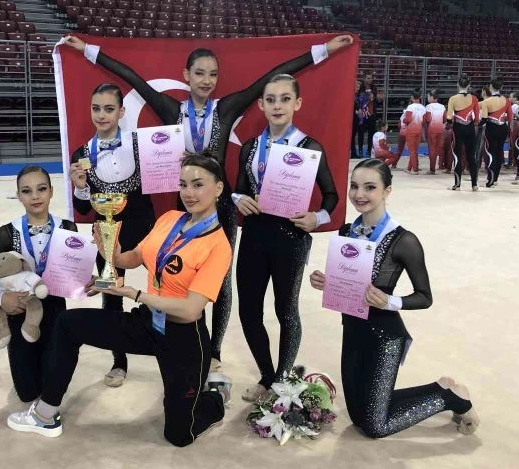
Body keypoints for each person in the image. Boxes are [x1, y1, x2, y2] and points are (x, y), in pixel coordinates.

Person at [62, 33, 354, 371]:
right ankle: (179, 336)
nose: (206, 80)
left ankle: (213, 350)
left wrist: (323, 50)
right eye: (199, 73)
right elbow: (132, 77)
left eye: (213, 74)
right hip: (184, 205)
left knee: (220, 281)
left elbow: (269, 77)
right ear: (186, 75)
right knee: (178, 273)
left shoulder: (226, 108)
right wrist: (88, 51)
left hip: (221, 207)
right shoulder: (171, 109)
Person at [6, 153, 233, 447]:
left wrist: (135, 294)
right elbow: (134, 257)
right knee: (68, 323)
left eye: (198, 184)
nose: (189, 193)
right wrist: (110, 252)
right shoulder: (169, 219)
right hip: (147, 322)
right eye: (183, 184)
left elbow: (191, 310)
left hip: (183, 337)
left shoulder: (218, 246)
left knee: (179, 435)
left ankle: (216, 395)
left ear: (218, 188)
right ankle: (45, 414)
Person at [309, 159, 480, 438]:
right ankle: (440, 387)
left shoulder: (404, 240)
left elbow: (425, 297)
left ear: (387, 191)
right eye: (354, 186)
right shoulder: (347, 231)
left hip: (384, 336)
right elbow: (349, 283)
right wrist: (328, 283)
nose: (359, 194)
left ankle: (452, 398)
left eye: (370, 187)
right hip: (352, 330)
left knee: (375, 427)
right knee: (358, 417)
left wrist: (389, 301)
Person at [233, 74, 338, 402]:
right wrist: (239, 199)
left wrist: (317, 217)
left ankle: (282, 380)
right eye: (271, 100)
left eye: (285, 99)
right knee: (248, 311)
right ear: (261, 105)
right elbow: (237, 188)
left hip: (290, 237)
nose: (277, 105)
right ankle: (267, 375)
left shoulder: (309, 148)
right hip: (254, 235)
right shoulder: (250, 148)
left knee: (286, 310)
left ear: (297, 103)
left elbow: (332, 196)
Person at [69, 83, 155, 387]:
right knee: (111, 294)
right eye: (96, 108)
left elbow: (164, 179)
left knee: (163, 287)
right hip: (106, 234)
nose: (101, 115)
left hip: (145, 229)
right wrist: (81, 186)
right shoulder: (82, 154)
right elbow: (83, 208)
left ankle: (170, 345)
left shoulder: (141, 145)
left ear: (121, 111)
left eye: (108, 109)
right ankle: (119, 361)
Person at [0, 166, 78, 404]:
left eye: (41, 189)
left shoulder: (67, 228)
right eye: (27, 191)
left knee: (52, 386)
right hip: (20, 310)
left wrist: (83, 280)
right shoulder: (6, 233)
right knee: (27, 393)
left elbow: (75, 270)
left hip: (56, 309)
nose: (35, 196)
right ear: (18, 196)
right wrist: (2, 299)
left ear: (51, 191)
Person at [446, 74, 479, 191]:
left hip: (458, 128)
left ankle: (457, 184)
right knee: (471, 156)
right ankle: (474, 185)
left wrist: (450, 124)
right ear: (469, 85)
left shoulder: (453, 99)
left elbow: (449, 117)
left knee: (458, 155)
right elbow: (477, 118)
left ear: (457, 85)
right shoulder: (474, 99)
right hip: (470, 128)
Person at [479, 78, 511, 188]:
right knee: (499, 152)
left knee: (491, 153)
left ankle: (490, 179)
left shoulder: (486, 102)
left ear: (491, 87)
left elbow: (484, 119)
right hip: (503, 128)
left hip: (492, 128)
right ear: (501, 87)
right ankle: (495, 178)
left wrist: (476, 124)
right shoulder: (506, 100)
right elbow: (510, 117)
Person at [402, 89, 426, 175]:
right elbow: (424, 121)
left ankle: (415, 170)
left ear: (412, 98)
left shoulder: (410, 107)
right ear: (420, 97)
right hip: (419, 130)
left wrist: (404, 120)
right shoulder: (423, 108)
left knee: (412, 151)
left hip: (411, 130)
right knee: (414, 150)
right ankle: (409, 168)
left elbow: (408, 120)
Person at [424, 89, 446, 174]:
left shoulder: (428, 107)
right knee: (438, 149)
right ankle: (440, 165)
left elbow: (427, 119)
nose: (428, 98)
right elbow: (444, 120)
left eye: (428, 97)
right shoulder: (442, 107)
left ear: (432, 97)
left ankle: (432, 169)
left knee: (432, 150)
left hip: (432, 130)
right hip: (440, 129)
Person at [506, 92, 519, 169]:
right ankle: (516, 161)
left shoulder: (514, 106)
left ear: (515, 98)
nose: (509, 98)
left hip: (514, 124)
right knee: (518, 143)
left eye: (510, 97)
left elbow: (510, 117)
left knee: (513, 144)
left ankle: (512, 161)